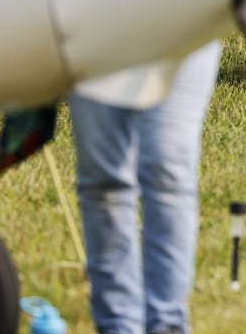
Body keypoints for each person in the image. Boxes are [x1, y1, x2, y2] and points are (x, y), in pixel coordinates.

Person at [68, 40, 222, 334]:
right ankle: (117, 324)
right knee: (103, 180)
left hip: (185, 21)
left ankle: (167, 323)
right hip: (94, 26)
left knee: (168, 165)